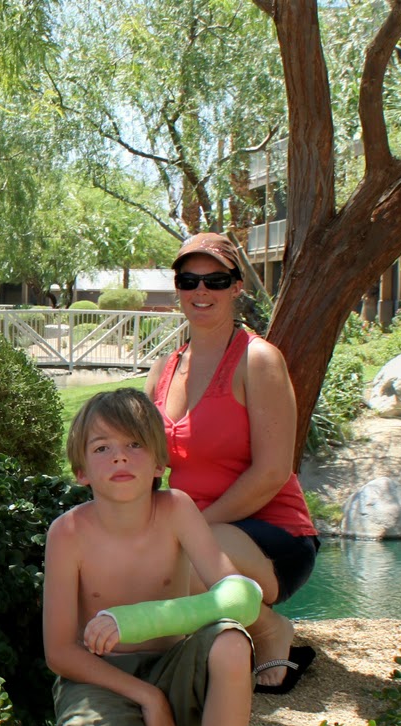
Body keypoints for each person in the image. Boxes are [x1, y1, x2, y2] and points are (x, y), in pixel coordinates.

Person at [43, 389, 254, 726]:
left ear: (159, 463)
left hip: (173, 668)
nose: (120, 457)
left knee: (232, 642)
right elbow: (60, 652)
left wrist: (135, 620)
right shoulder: (67, 534)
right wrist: (148, 696)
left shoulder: (177, 510)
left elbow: (243, 597)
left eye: (134, 444)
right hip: (102, 677)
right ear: (81, 471)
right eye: (102, 448)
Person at [147, 232, 321, 695]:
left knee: (178, 562)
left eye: (216, 280)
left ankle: (269, 628)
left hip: (272, 539)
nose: (201, 291)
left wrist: (190, 528)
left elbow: (272, 473)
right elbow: (147, 464)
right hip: (198, 532)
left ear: (236, 286)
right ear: (178, 288)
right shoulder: (163, 370)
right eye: (189, 281)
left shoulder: (258, 360)